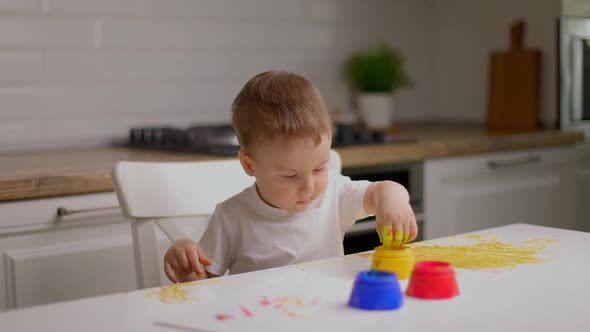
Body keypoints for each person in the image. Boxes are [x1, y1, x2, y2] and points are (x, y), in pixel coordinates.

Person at [164, 70, 417, 283]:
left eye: (319, 168)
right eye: (290, 176)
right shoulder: (231, 217)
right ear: (250, 165)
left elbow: (383, 190)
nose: (308, 187)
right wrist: (186, 261)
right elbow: (201, 287)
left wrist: (392, 201)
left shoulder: (334, 194)